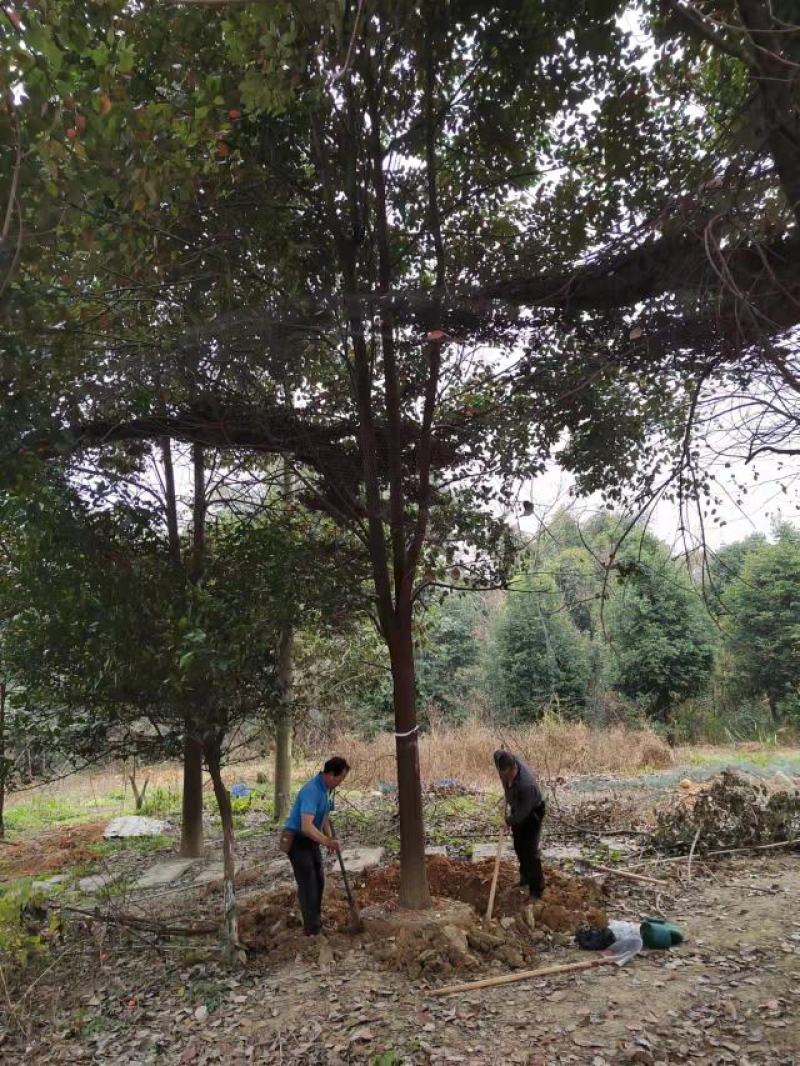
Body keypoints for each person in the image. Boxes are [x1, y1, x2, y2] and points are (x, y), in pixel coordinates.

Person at [284, 756, 350, 935]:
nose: (340, 783)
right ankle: (311, 928)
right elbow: (306, 826)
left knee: (319, 880)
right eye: (340, 778)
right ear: (329, 774)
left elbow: (325, 816)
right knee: (308, 883)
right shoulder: (312, 791)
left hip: (312, 840)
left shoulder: (327, 790)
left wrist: (328, 837)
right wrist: (327, 841)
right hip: (299, 841)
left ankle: (315, 919)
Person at [493, 749, 546, 899]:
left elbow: (524, 812)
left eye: (507, 776)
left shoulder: (526, 785)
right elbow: (497, 753)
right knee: (518, 846)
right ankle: (525, 877)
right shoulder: (501, 759)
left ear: (514, 768)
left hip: (532, 813)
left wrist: (508, 822)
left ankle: (537, 888)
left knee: (530, 851)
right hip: (517, 806)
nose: (504, 778)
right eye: (502, 775)